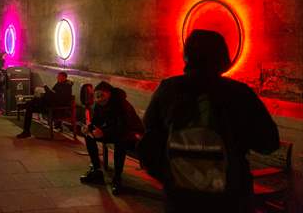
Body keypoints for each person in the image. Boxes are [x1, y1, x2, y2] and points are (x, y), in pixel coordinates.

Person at [140, 30, 279, 213]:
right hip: (229, 198)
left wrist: (168, 176)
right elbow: (268, 142)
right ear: (223, 58)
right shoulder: (239, 94)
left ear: (187, 56)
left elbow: (150, 133)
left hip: (180, 197)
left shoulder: (168, 89)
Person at [79, 81, 144, 195]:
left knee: (120, 142)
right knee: (89, 137)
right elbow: (96, 121)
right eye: (97, 96)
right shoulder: (100, 104)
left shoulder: (121, 104)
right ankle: (97, 170)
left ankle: (117, 178)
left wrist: (103, 132)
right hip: (112, 131)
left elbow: (123, 127)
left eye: (102, 95)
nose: (99, 98)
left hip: (131, 133)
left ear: (109, 94)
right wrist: (89, 128)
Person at [17, 71, 73, 139]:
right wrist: (48, 92)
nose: (57, 78)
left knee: (31, 104)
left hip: (54, 108)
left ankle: (24, 106)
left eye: (59, 77)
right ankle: (26, 131)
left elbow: (59, 98)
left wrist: (47, 90)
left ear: (64, 77)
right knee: (30, 106)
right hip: (49, 104)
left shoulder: (66, 87)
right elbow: (52, 94)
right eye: (58, 76)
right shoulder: (59, 84)